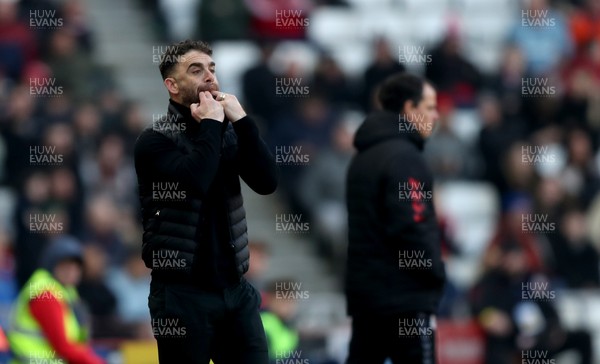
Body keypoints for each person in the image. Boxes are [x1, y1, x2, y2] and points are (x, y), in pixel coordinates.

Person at [134, 39, 278, 363]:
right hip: (181, 295)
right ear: (172, 85)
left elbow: (267, 183)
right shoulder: (154, 141)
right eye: (196, 70)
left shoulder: (226, 132)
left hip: (235, 290)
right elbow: (194, 182)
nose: (210, 77)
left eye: (212, 69)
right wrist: (213, 124)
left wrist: (242, 121)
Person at [345, 73, 445, 363]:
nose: (436, 116)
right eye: (429, 107)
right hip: (406, 297)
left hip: (367, 296)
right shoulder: (405, 158)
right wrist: (435, 273)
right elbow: (412, 226)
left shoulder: (363, 157)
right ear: (409, 109)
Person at [7, 236, 104, 364]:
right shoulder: (46, 294)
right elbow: (63, 347)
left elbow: (79, 340)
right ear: (51, 265)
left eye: (76, 266)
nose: (72, 271)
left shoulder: (67, 291)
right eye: (65, 265)